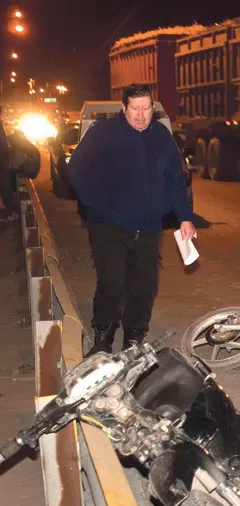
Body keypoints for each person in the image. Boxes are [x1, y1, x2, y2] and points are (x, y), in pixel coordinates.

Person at [68, 84, 196, 356]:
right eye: (135, 108)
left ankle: (134, 337)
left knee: (144, 285)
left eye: (146, 108)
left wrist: (185, 217)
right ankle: (103, 336)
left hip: (149, 226)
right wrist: (97, 202)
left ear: (153, 108)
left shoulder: (161, 136)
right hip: (108, 225)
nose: (140, 114)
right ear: (124, 108)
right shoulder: (103, 133)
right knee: (111, 281)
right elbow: (76, 168)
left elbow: (175, 179)